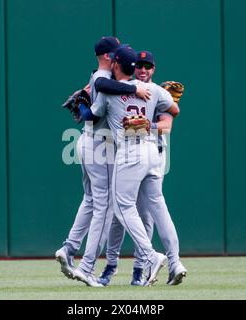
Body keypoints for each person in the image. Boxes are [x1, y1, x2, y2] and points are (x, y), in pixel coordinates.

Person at [55, 37, 150, 287]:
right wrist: (135, 89)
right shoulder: (101, 77)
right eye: (116, 54)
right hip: (100, 145)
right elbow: (105, 86)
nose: (120, 58)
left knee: (90, 200)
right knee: (104, 206)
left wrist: (86, 108)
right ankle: (87, 267)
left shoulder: (104, 79)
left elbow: (94, 108)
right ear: (108, 57)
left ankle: (69, 247)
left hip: (91, 141)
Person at [83, 46, 177, 286]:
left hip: (131, 153)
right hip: (151, 154)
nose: (143, 69)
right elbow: (174, 109)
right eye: (140, 66)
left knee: (125, 209)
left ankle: (148, 258)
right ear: (133, 68)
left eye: (147, 66)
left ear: (116, 65)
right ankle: (168, 262)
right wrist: (163, 104)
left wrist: (82, 104)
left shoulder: (113, 91)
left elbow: (90, 117)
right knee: (146, 210)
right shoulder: (153, 90)